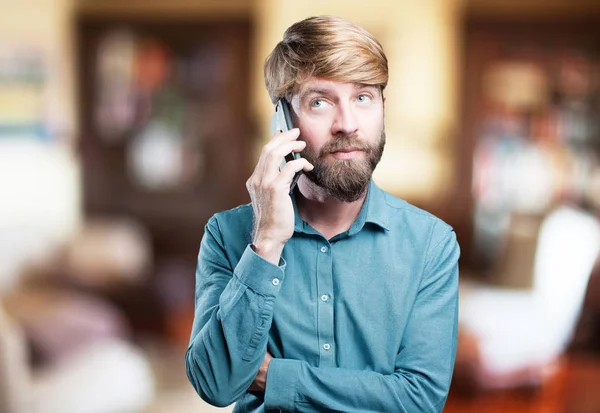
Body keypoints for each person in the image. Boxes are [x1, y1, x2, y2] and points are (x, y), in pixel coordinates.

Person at [186, 15, 460, 413]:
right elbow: (215, 383)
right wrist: (265, 245)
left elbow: (418, 400)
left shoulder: (430, 244)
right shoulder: (228, 234)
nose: (347, 124)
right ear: (282, 121)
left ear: (383, 107)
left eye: (363, 97)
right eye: (320, 102)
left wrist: (274, 377)